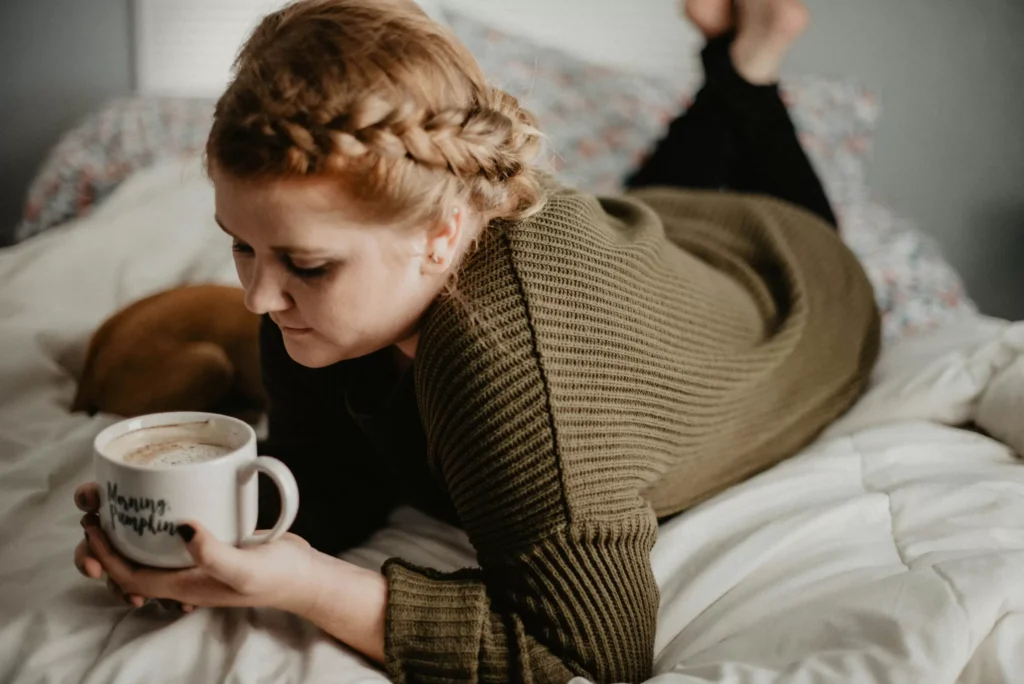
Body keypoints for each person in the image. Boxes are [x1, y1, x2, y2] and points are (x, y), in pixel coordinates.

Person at [72, 0, 880, 680]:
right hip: (652, 243)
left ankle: (751, 58)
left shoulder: (511, 366)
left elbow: (594, 651)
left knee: (790, 218)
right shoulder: (315, 310)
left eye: (308, 264)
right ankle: (733, 58)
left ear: (441, 231)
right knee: (653, 192)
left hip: (793, 288)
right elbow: (332, 485)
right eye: (241, 245)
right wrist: (194, 545)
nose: (258, 294)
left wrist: (313, 586)